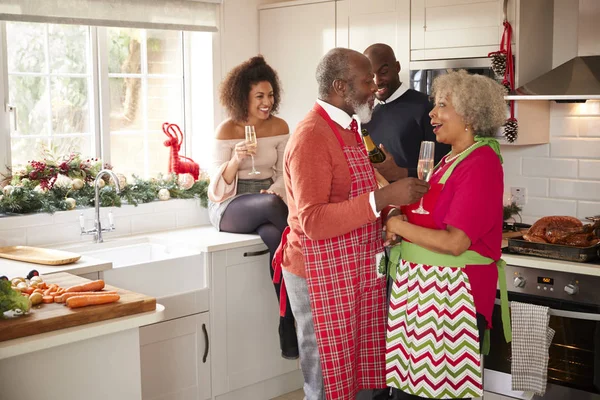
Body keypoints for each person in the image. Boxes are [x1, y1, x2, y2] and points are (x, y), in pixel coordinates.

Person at [272, 47, 429, 400]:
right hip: (318, 273)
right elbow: (312, 220)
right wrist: (386, 199)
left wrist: (390, 212)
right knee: (327, 379)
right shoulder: (312, 135)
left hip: (352, 268)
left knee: (355, 373)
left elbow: (363, 188)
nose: (374, 88)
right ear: (340, 86)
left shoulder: (351, 128)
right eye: (366, 81)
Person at [383, 70, 512, 400]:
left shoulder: (480, 162)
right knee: (410, 391)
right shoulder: (448, 160)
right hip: (422, 294)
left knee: (437, 393)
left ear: (469, 114)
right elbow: (429, 219)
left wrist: (399, 227)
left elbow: (456, 242)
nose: (431, 114)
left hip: (451, 298)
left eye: (442, 105)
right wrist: (398, 214)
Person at [207, 55, 298, 360]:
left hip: (269, 199)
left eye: (270, 95)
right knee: (278, 219)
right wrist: (235, 160)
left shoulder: (280, 126)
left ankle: (287, 321)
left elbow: (287, 175)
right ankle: (306, 256)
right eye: (259, 96)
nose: (267, 102)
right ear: (242, 97)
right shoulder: (227, 130)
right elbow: (215, 189)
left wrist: (272, 190)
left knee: (276, 238)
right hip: (231, 205)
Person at [362, 43, 450, 182]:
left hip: (422, 202)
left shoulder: (427, 107)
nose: (377, 81)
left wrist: (401, 173)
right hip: (383, 202)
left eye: (383, 72)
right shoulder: (368, 118)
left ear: (397, 67)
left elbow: (445, 165)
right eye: (371, 76)